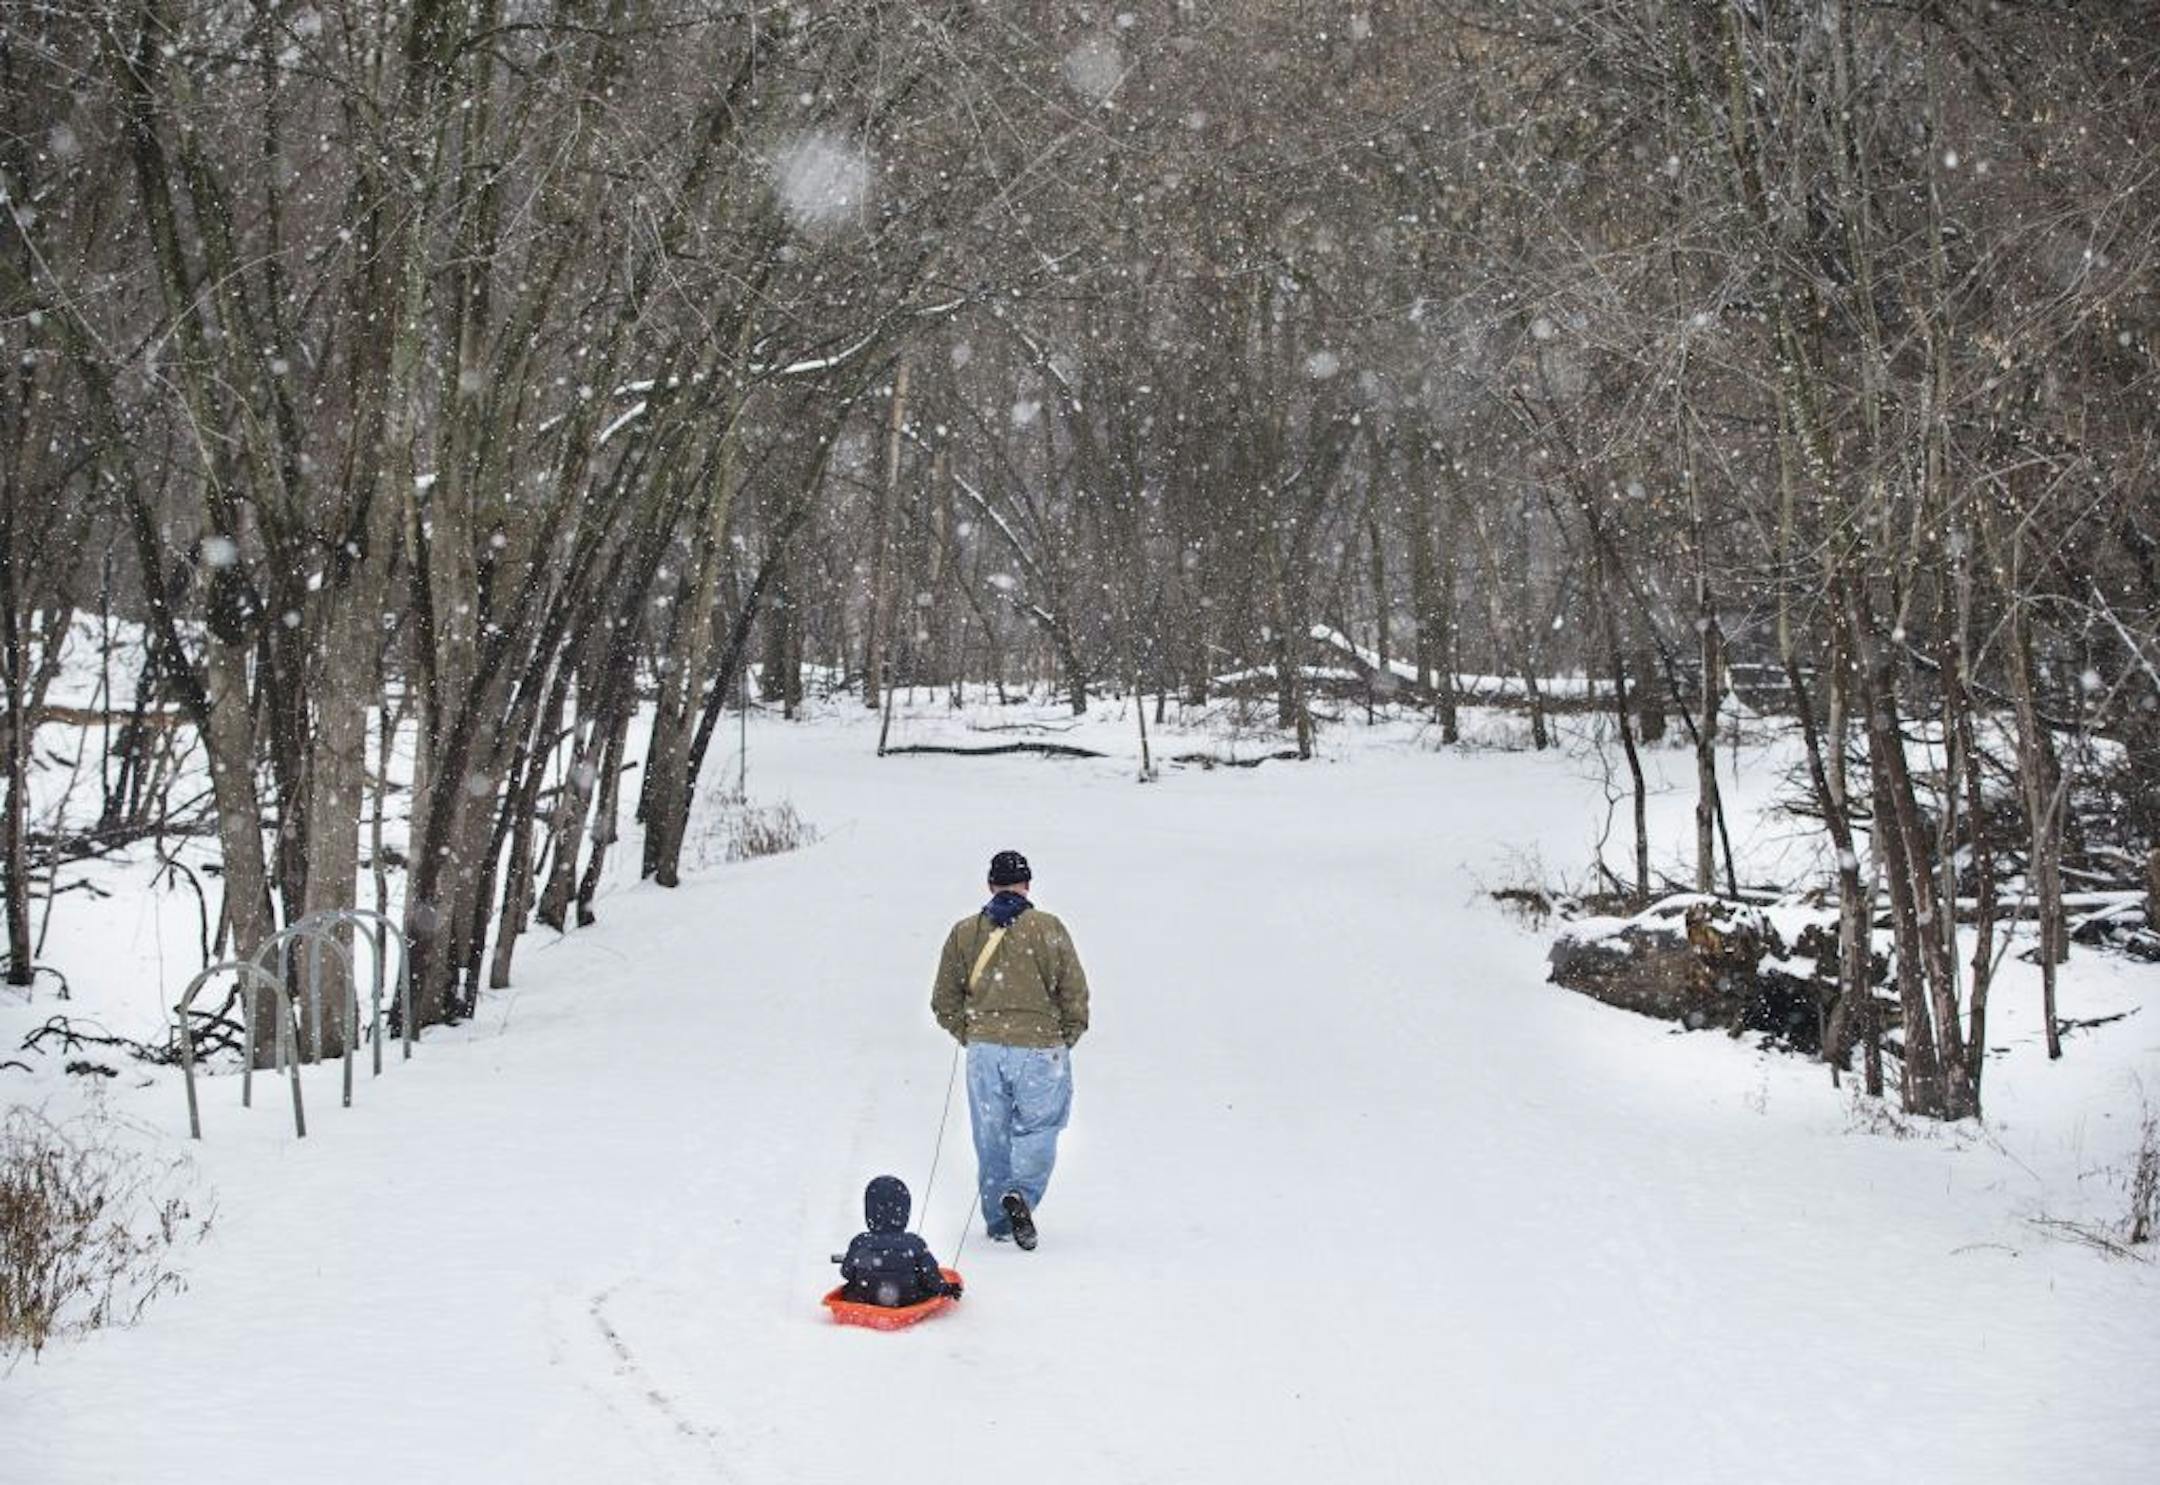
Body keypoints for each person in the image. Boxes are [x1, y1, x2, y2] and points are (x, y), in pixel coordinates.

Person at [930, 850, 1089, 1251]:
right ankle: (1021, 1195)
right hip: (1040, 1046)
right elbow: (1074, 993)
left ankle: (1000, 1221)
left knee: (990, 1133)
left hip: (985, 1049)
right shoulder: (1049, 928)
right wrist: (1064, 1037)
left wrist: (971, 1032)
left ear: (989, 885)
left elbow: (943, 999)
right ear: (1028, 884)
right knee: (1040, 1127)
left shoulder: (964, 932)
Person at [838, 1175, 963, 1307]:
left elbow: (846, 1272)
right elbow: (931, 1276)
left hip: (866, 1298)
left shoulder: (861, 1242)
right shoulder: (914, 1243)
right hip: (907, 1299)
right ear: (904, 1212)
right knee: (925, 1287)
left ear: (869, 1212)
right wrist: (946, 1289)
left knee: (850, 1289)